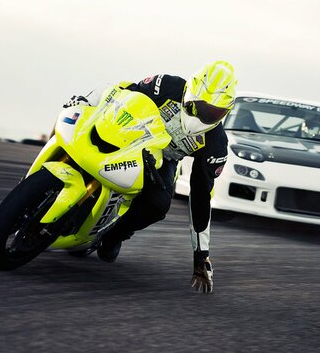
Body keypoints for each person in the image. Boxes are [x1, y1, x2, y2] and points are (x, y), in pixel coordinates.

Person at [63, 60, 237, 293]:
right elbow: (123, 93)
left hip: (164, 159)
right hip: (127, 131)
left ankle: (115, 236)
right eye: (202, 106)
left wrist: (201, 255)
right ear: (192, 91)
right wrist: (87, 102)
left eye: (215, 112)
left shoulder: (216, 144)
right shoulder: (168, 85)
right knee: (79, 125)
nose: (206, 116)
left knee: (159, 205)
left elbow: (201, 196)